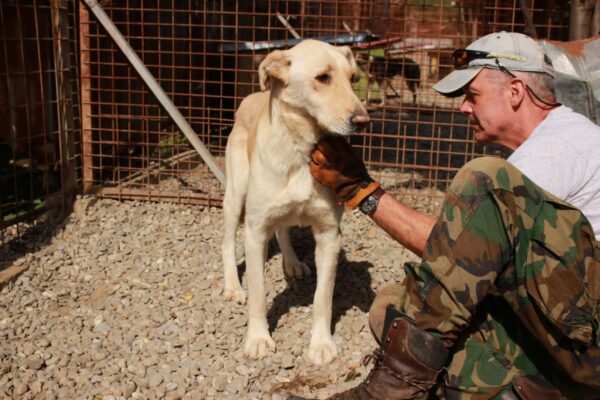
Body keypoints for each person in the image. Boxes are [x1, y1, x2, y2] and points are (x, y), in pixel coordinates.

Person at [306, 32, 600, 399]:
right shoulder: (547, 147)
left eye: (472, 95)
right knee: (394, 309)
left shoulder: (556, 147)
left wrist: (362, 191)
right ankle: (535, 391)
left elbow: (457, 250)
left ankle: (384, 395)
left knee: (484, 179)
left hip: (590, 340)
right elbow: (462, 256)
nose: (463, 107)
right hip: (570, 338)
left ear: (515, 92)